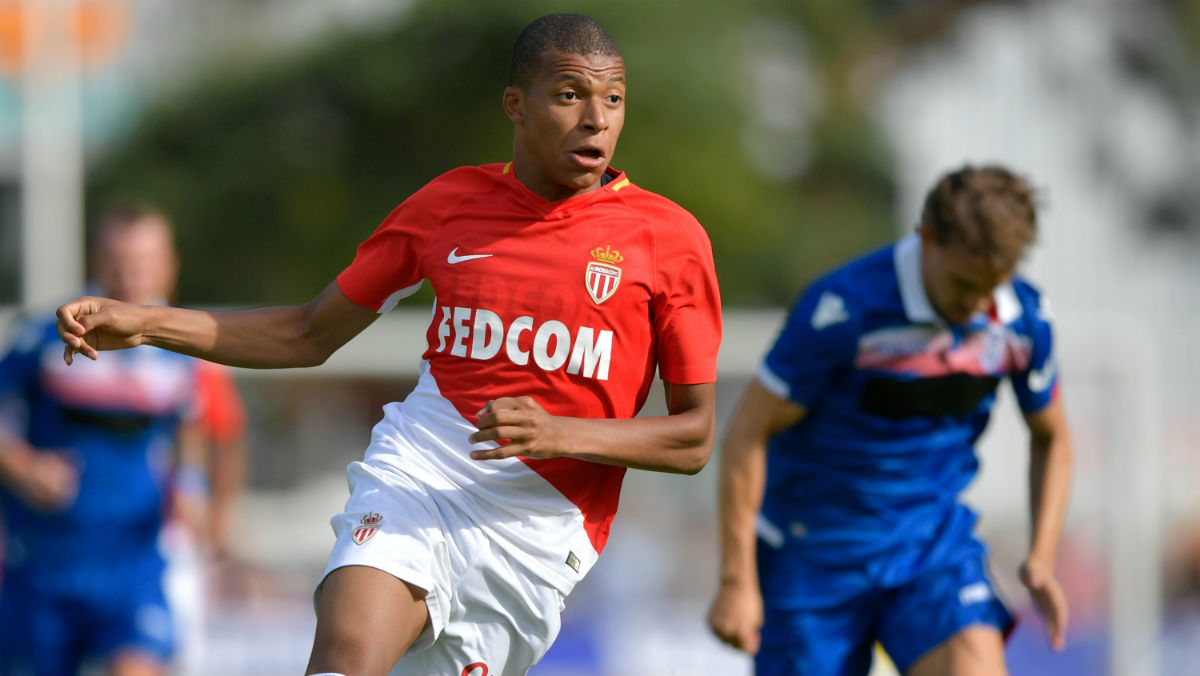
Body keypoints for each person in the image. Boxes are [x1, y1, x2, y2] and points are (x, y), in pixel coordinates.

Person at [56, 12, 722, 676]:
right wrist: (147, 324)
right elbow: (307, 333)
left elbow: (693, 437)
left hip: (539, 531)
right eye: (571, 94)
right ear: (516, 105)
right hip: (422, 471)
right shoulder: (448, 205)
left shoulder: (669, 240)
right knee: (346, 657)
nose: (596, 119)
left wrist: (561, 433)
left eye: (613, 99)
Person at [707, 165, 1073, 675]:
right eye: (965, 284)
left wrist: (1041, 555)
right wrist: (736, 579)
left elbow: (1051, 437)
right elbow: (748, 432)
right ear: (926, 239)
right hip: (813, 556)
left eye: (991, 287)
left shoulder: (1021, 320)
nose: (975, 308)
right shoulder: (844, 307)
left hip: (931, 548)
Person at [0, 207, 227, 676]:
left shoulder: (183, 353)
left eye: (144, 261)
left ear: (170, 266)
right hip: (43, 564)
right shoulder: (47, 337)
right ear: (97, 262)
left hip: (134, 564)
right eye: (119, 260)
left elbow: (193, 427)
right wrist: (22, 466)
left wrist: (192, 485)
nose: (131, 274)